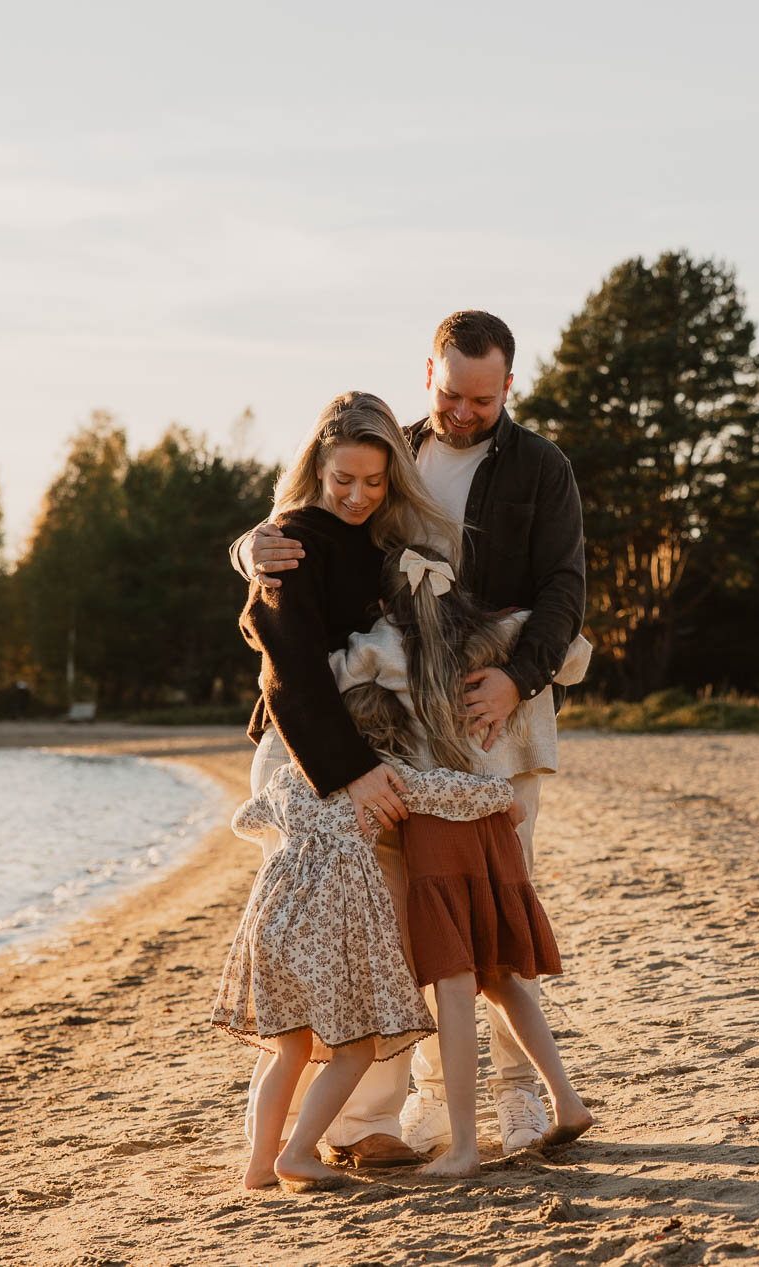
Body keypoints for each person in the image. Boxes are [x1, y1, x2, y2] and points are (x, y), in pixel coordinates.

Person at [234, 311, 586, 1157]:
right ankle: (375, 1119)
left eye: (484, 396)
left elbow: (566, 586)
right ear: (428, 372)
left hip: (493, 711)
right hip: (390, 725)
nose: (465, 410)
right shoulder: (391, 449)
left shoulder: (541, 468)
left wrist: (517, 674)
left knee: (493, 913)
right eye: (452, 392)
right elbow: (310, 546)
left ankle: (519, 1102)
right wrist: (248, 548)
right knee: (388, 913)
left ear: (510, 385)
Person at [233, 389, 463, 1168]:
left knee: (375, 936)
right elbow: (287, 674)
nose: (359, 495)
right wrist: (353, 774)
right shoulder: (293, 539)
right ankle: (299, 1139)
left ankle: (356, 1125)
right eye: (343, 481)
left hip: (369, 755)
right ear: (316, 469)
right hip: (308, 762)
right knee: (311, 943)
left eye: (374, 481)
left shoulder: (380, 544)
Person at [334, 544, 593, 1176]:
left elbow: (329, 676)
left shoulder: (381, 645)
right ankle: (566, 1099)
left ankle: (465, 1148)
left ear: (385, 599)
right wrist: (514, 630)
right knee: (501, 974)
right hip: (494, 825)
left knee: (451, 987)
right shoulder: (495, 635)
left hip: (438, 830)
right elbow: (576, 655)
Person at [213, 683, 521, 1191]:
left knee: (289, 1052)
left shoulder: (288, 779)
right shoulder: (383, 781)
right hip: (330, 936)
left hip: (272, 928)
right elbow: (453, 792)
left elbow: (243, 819)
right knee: (353, 1050)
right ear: (388, 739)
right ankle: (296, 1156)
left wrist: (294, 831)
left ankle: (260, 1165)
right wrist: (505, 797)